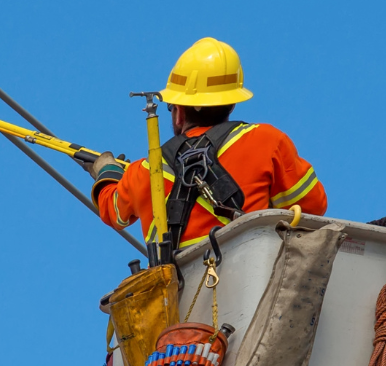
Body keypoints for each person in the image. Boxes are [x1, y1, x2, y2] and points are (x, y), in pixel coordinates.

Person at [84, 37, 326, 256]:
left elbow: (112, 210)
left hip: (181, 298)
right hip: (255, 282)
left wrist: (107, 171)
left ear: (178, 113)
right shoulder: (267, 141)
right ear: (231, 104)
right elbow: (313, 206)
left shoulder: (147, 172)